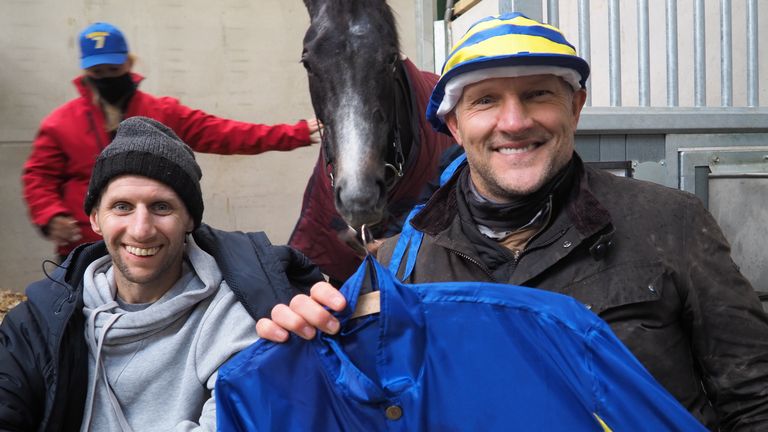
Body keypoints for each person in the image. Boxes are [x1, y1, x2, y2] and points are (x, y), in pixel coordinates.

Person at [256, 13, 768, 431]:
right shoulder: (398, 265)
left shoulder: (672, 223)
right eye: (485, 101)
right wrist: (306, 348)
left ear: (576, 106)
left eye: (539, 94)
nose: (515, 121)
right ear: (455, 125)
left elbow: (755, 398)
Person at [0, 116, 323, 431]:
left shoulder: (238, 318)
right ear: (96, 219)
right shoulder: (40, 324)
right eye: (122, 206)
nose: (141, 230)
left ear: (190, 221)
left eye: (162, 207)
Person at [22, 21, 321, 261]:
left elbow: (224, 134)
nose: (106, 78)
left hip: (150, 244)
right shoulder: (61, 123)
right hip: (84, 248)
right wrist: (51, 216)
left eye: (113, 70)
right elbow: (38, 175)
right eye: (98, 72)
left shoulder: (161, 112)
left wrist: (296, 133)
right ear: (86, 72)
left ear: (129, 64)